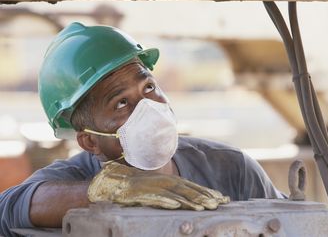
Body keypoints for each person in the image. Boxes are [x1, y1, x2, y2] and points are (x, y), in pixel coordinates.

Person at [0, 22, 285, 237]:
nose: (148, 106)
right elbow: (8, 209)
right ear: (90, 141)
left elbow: (292, 225)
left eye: (149, 87)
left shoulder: (231, 167)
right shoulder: (75, 179)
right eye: (121, 103)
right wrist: (102, 192)